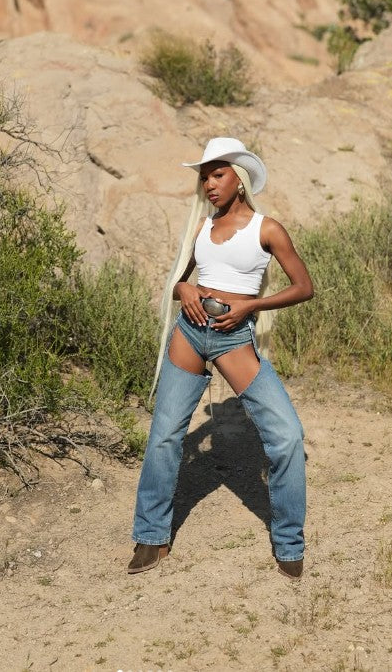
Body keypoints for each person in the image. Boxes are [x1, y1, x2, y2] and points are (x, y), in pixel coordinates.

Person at [128, 137, 314, 579]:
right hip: (189, 335)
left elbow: (303, 287)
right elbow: (181, 280)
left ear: (240, 180)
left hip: (234, 340)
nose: (210, 184)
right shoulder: (202, 229)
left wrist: (251, 307)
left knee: (286, 436)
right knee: (165, 436)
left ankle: (288, 539)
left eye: (218, 174)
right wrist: (184, 289)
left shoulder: (267, 229)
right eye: (205, 177)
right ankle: (151, 537)